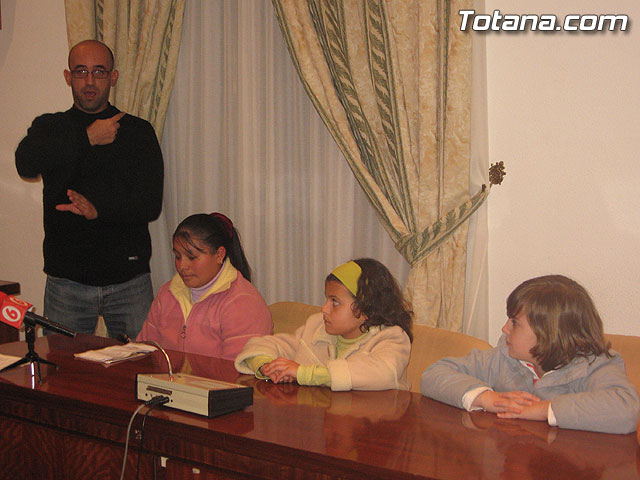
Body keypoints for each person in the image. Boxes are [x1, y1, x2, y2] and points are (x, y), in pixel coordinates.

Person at [15, 40, 164, 339]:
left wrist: (99, 210)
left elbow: (150, 204)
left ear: (113, 77)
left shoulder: (137, 131)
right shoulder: (50, 128)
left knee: (140, 375)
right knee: (62, 378)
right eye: (82, 71)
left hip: (129, 281)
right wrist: (87, 138)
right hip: (66, 282)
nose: (90, 81)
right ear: (68, 77)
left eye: (99, 71)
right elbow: (26, 165)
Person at [421, 274, 640, 434]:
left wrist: (543, 410)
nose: (504, 328)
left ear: (548, 334)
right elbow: (433, 374)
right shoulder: (504, 356)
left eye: (515, 323)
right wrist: (489, 399)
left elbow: (625, 410)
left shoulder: (595, 365)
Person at [235, 258, 413, 391]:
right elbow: (266, 345)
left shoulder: (392, 337)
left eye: (334, 301)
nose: (324, 309)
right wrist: (267, 365)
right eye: (326, 299)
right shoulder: (316, 326)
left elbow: (382, 373)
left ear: (366, 309)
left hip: (373, 431)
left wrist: (304, 373)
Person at [137, 213, 272, 361]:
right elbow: (145, 350)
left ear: (219, 255)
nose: (182, 266)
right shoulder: (167, 293)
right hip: (168, 382)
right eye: (177, 256)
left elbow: (237, 373)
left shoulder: (243, 302)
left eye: (192, 257)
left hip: (220, 383)